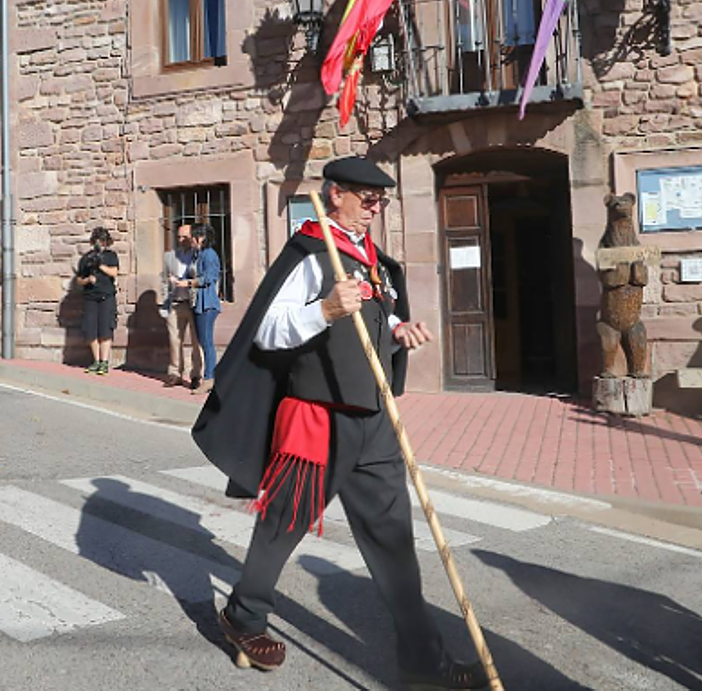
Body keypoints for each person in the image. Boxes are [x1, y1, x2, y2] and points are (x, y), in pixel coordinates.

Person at [193, 156, 488, 690]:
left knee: (394, 540)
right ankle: (243, 617)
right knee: (284, 524)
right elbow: (268, 330)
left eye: (380, 200)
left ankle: (422, 659)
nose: (374, 207)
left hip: (373, 419)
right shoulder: (311, 250)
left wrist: (399, 330)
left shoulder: (371, 257)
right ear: (335, 196)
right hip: (317, 416)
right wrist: (324, 310)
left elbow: (380, 311)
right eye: (365, 198)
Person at [161, 223, 201, 389]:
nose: (180, 240)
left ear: (192, 237)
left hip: (193, 303)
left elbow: (206, 277)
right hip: (175, 303)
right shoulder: (170, 256)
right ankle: (175, 373)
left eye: (184, 236)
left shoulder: (198, 255)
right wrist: (164, 297)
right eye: (178, 236)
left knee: (196, 341)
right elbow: (163, 279)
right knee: (174, 340)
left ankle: (196, 375)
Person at [75, 226, 119, 375]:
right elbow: (79, 280)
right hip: (90, 298)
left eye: (102, 240)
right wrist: (88, 280)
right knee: (90, 330)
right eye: (97, 240)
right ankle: (96, 360)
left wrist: (100, 266)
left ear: (106, 241)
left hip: (106, 296)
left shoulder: (111, 255)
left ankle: (104, 362)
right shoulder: (86, 258)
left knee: (106, 328)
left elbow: (114, 272)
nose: (99, 243)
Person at [188, 222, 222, 396]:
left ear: (200, 238)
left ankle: (210, 378)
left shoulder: (209, 254)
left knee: (207, 342)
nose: (189, 240)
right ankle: (208, 377)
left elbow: (210, 277)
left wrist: (189, 282)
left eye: (191, 236)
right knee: (203, 342)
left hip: (207, 303)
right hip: (197, 302)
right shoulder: (197, 254)